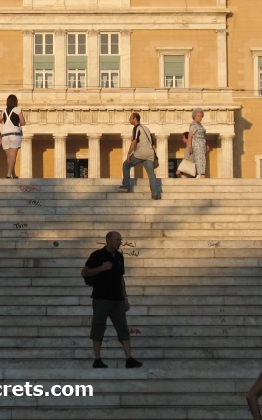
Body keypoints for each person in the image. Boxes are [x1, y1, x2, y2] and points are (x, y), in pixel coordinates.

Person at [81, 231, 142, 369]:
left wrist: (125, 297)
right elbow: (84, 272)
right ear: (108, 240)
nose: (120, 242)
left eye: (120, 239)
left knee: (123, 329)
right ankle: (97, 359)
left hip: (117, 300)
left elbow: (121, 278)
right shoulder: (97, 255)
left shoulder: (120, 256)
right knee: (98, 328)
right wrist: (101, 268)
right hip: (101, 298)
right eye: (117, 239)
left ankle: (129, 359)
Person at [118, 113, 161, 200]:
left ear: (135, 119)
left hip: (141, 152)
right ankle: (155, 194)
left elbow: (134, 142)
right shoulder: (146, 129)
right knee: (151, 174)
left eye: (130, 118)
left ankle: (126, 186)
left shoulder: (136, 128)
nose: (129, 120)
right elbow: (153, 144)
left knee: (126, 165)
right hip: (149, 153)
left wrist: (129, 153)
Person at [0, 94, 25, 179]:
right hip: (14, 134)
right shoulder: (18, 109)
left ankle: (13, 174)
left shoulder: (4, 110)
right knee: (13, 156)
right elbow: (23, 123)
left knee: (9, 157)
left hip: (4, 135)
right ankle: (8, 175)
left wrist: (4, 122)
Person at [188, 107, 208, 178]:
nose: (200, 117)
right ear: (194, 117)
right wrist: (190, 146)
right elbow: (190, 136)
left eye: (201, 116)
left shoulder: (200, 125)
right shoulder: (193, 125)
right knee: (199, 159)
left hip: (202, 144)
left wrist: (206, 144)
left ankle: (202, 174)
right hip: (196, 144)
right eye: (198, 116)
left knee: (203, 160)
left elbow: (203, 136)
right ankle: (200, 174)